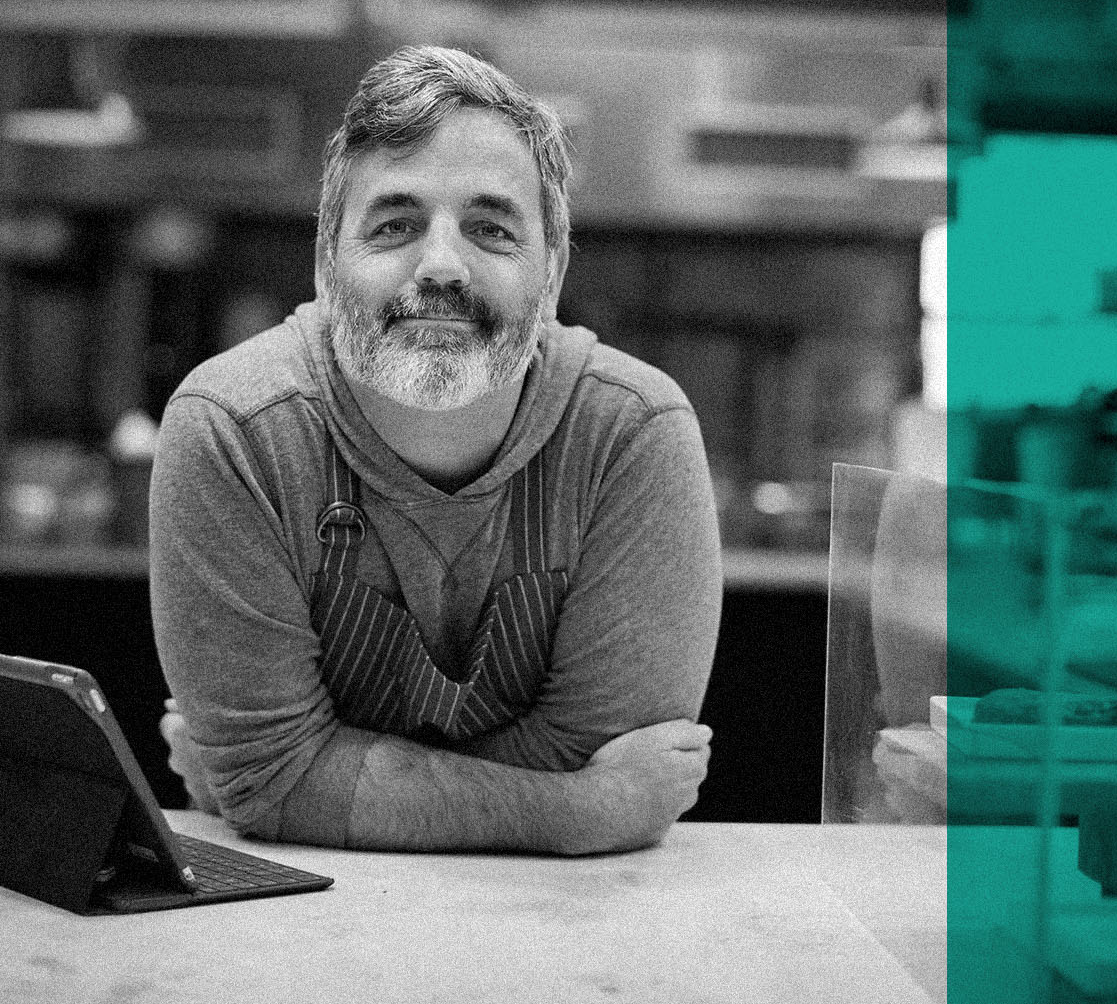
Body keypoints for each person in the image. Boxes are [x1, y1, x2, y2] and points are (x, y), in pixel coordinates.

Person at [153, 45, 722, 855]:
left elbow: (273, 781)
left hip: (565, 935)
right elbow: (274, 777)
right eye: (395, 224)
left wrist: (299, 783)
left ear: (551, 272)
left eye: (490, 228)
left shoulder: (632, 434)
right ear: (326, 265)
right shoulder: (234, 429)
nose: (442, 265)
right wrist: (582, 811)